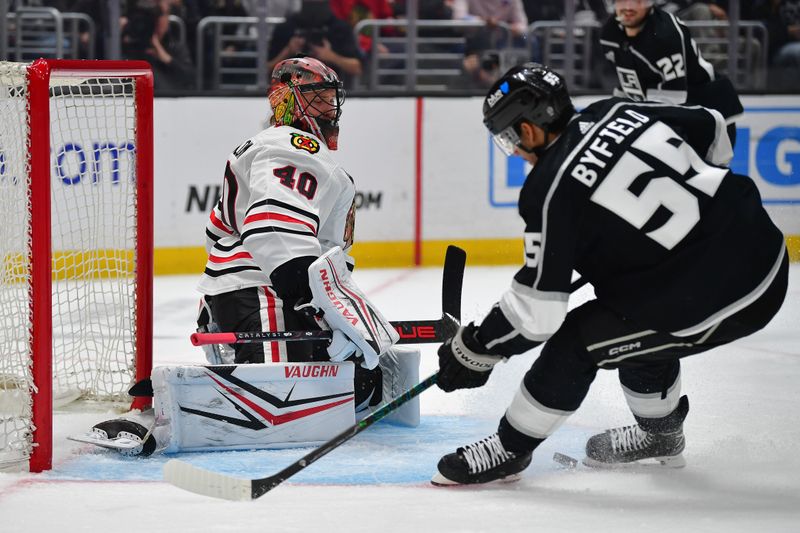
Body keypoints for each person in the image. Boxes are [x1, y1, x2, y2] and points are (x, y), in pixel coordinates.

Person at [430, 63, 788, 486]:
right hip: (765, 249)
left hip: (725, 296)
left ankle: (509, 449)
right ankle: (660, 437)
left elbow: (538, 315)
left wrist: (475, 349)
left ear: (528, 130)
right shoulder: (613, 109)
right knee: (632, 313)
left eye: (510, 138)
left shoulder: (548, 188)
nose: (516, 151)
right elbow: (711, 126)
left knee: (578, 341)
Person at [83, 57, 418, 456]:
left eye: (332, 99)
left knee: (330, 388)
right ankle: (155, 417)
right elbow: (274, 229)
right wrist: (311, 302)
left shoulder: (283, 149)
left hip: (255, 290)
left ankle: (179, 400)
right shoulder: (291, 146)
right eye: (319, 99)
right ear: (288, 101)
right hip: (263, 292)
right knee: (280, 403)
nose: (330, 108)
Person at [599, 0, 742, 146]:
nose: (628, 7)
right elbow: (629, 84)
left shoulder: (665, 34)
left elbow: (672, 104)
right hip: (668, 112)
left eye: (638, 1)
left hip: (707, 112)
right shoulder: (609, 33)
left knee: (706, 168)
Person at [267, 0, 364, 89]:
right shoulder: (286, 28)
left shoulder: (339, 29)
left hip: (329, 90)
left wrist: (331, 56)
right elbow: (266, 69)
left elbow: (357, 68)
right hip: (291, 90)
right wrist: (288, 51)